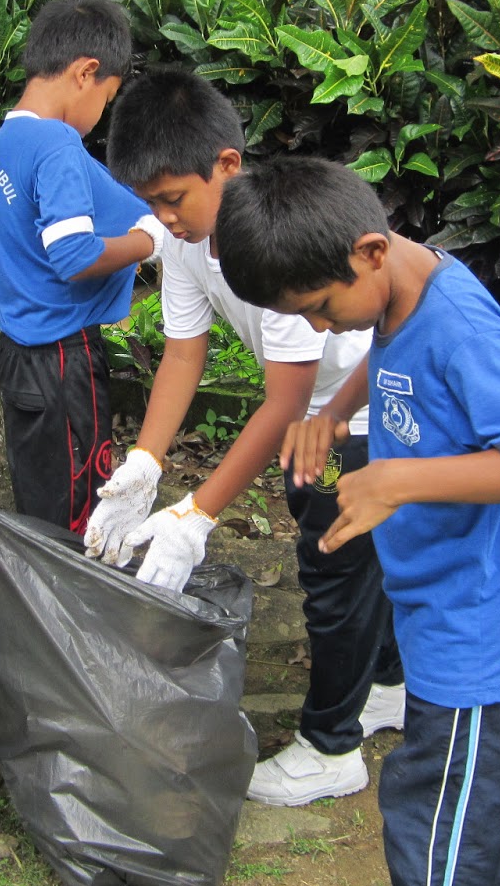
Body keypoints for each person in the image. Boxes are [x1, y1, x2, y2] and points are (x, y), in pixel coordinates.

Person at [214, 156, 500, 886]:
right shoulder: (397, 289)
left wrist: (399, 478)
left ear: (370, 253)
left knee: (433, 814)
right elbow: (390, 364)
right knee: (484, 799)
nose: (320, 331)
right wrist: (335, 413)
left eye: (319, 310)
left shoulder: (455, 323)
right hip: (450, 609)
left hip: (480, 623)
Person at [90, 67, 406, 809]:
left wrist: (198, 514)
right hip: (309, 413)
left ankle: (332, 747)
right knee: (356, 565)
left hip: (351, 413)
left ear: (226, 165)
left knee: (334, 571)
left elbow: (285, 399)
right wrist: (146, 460)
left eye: (175, 199)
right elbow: (183, 352)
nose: (165, 218)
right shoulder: (187, 243)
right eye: (152, 204)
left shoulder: (274, 238)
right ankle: (387, 686)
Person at [0, 0, 166, 534]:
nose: (101, 112)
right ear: (86, 72)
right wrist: (148, 241)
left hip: (21, 353)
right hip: (63, 360)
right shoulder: (57, 145)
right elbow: (74, 254)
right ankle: (80, 611)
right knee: (83, 507)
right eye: (107, 97)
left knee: (43, 501)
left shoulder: (7, 140)